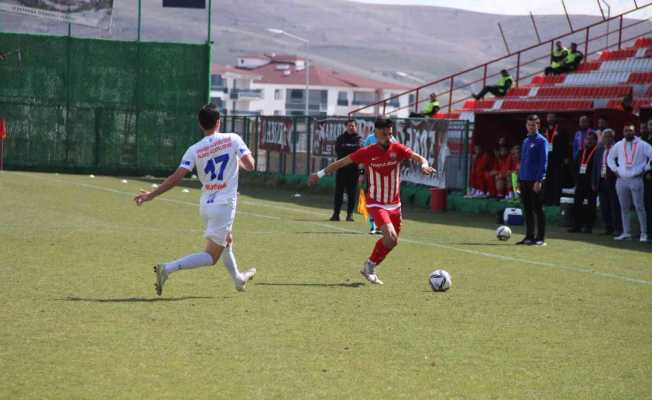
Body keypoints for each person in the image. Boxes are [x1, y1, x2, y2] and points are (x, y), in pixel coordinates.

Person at [134, 103, 257, 295]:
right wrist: (235, 162)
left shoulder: (194, 149)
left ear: (200, 125)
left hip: (206, 205)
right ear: (219, 122)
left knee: (227, 239)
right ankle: (167, 268)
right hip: (223, 205)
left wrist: (151, 194)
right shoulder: (233, 138)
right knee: (211, 256)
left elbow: (176, 177)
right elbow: (250, 165)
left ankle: (238, 279)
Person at [309, 118, 435, 285]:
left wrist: (424, 165)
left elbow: (418, 158)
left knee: (393, 241)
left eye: (390, 133)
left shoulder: (397, 148)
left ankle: (369, 265)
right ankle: (370, 266)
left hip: (395, 204)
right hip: (376, 202)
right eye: (384, 133)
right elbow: (341, 163)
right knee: (389, 236)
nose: (388, 137)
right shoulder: (367, 151)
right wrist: (319, 174)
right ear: (376, 132)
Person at [607, 124, 652, 242]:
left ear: (634, 131)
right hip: (621, 179)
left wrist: (646, 169)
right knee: (624, 207)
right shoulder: (618, 145)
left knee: (639, 207)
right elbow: (610, 158)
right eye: (626, 131)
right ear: (623, 132)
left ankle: (643, 234)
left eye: (630, 131)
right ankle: (626, 232)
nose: (628, 133)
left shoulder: (642, 144)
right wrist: (615, 170)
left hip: (636, 178)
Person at [516, 114, 548, 246]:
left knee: (538, 209)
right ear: (526, 126)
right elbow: (523, 161)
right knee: (527, 209)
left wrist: (539, 180)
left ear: (538, 125)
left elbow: (543, 161)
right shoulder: (525, 141)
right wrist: (519, 179)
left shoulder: (542, 141)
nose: (531, 127)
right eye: (529, 125)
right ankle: (529, 236)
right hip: (524, 179)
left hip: (535, 180)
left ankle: (540, 238)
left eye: (534, 124)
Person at [591, 129, 622, 236]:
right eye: (605, 136)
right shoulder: (599, 149)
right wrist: (594, 182)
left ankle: (617, 228)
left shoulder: (618, 149)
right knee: (604, 206)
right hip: (601, 181)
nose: (607, 139)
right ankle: (607, 227)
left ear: (613, 138)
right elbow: (595, 167)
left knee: (615, 205)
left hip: (614, 181)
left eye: (609, 136)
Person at [330, 120, 362, 221]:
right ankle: (336, 214)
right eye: (349, 126)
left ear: (356, 127)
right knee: (338, 192)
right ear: (346, 127)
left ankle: (350, 215)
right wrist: (352, 153)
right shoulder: (340, 138)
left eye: (353, 126)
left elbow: (361, 157)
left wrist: (362, 174)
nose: (351, 127)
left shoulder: (359, 140)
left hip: (354, 171)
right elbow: (339, 152)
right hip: (341, 170)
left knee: (352, 193)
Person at [568, 132, 598, 233]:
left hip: (591, 183)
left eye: (590, 139)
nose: (588, 141)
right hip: (580, 182)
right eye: (587, 139)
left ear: (595, 141)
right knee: (577, 203)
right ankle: (577, 225)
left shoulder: (597, 152)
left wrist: (595, 182)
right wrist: (576, 179)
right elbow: (575, 166)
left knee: (591, 205)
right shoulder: (581, 151)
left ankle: (589, 226)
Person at [543, 113, 572, 206]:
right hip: (547, 159)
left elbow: (566, 144)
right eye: (549, 117)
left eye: (552, 117)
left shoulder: (561, 129)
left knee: (557, 180)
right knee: (548, 180)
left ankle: (556, 201)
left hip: (558, 158)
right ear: (546, 119)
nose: (550, 119)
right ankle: (548, 201)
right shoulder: (544, 129)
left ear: (555, 118)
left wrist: (566, 157)